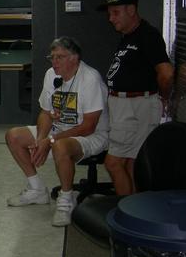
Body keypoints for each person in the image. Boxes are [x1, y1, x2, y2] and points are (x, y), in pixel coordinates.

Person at [6, 37, 109, 227]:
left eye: (60, 57)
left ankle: (66, 199)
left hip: (91, 135)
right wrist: (40, 139)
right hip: (60, 129)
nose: (54, 62)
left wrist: (51, 140)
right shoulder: (51, 75)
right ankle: (37, 190)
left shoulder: (90, 78)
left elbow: (89, 126)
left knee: (59, 146)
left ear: (74, 58)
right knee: (13, 136)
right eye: (52, 57)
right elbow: (46, 113)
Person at [98, 0, 174, 195]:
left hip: (135, 106)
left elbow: (166, 73)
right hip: (124, 106)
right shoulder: (128, 36)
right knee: (131, 164)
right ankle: (134, 207)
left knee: (113, 163)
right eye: (109, 14)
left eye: (115, 13)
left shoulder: (147, 35)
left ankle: (123, 208)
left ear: (131, 10)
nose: (111, 18)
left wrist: (164, 97)